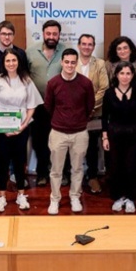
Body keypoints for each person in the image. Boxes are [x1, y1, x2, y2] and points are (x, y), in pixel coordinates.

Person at [0, 49, 42, 212]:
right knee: (2, 162)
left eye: (14, 60)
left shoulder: (26, 80)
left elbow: (32, 106)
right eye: (8, 60)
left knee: (20, 161)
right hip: (1, 129)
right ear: (3, 63)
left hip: (21, 127)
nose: (11, 63)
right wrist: (1, 125)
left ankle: (21, 194)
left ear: (18, 62)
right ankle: (2, 197)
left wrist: (24, 125)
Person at [44, 49, 95, 215]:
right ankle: (55, 199)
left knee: (77, 168)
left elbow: (90, 106)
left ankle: (75, 196)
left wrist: (78, 120)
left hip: (80, 133)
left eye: (73, 62)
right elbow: (48, 106)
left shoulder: (86, 83)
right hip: (58, 132)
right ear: (61, 62)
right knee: (56, 170)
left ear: (76, 63)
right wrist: (61, 119)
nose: (70, 65)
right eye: (67, 62)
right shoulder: (53, 83)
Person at [0, 20, 29, 190]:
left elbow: (25, 77)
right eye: (3, 34)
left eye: (9, 34)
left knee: (18, 144)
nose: (6, 37)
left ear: (13, 36)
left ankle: (16, 173)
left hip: (18, 107)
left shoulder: (21, 53)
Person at [102, 62, 136, 213]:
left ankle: (130, 198)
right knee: (115, 166)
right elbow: (104, 117)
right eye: (122, 73)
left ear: (133, 75)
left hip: (133, 133)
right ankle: (118, 197)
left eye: (128, 73)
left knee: (131, 166)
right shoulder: (109, 93)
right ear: (116, 75)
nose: (125, 76)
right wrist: (105, 137)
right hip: (114, 134)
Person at [27, 20, 66, 187]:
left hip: (59, 106)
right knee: (40, 141)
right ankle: (42, 173)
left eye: (55, 34)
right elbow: (25, 76)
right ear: (43, 34)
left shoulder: (65, 52)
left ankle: (61, 173)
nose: (51, 37)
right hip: (37, 106)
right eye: (48, 33)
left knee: (60, 142)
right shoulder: (30, 52)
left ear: (59, 35)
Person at [76, 34, 109, 194]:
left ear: (93, 47)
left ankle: (92, 177)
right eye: (84, 44)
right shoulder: (71, 62)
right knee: (74, 146)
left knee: (92, 148)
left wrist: (89, 107)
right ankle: (74, 178)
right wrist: (79, 109)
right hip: (75, 113)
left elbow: (104, 88)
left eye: (90, 44)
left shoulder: (100, 64)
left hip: (94, 113)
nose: (86, 47)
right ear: (78, 45)